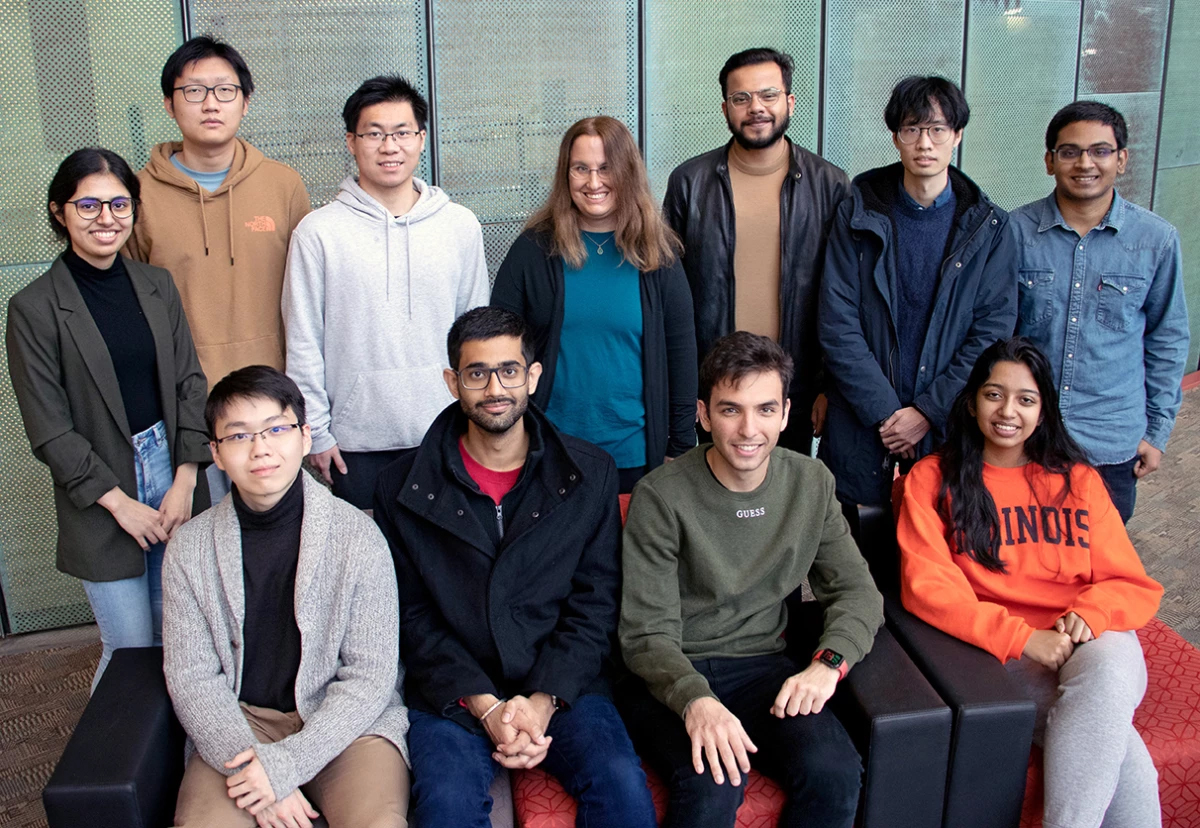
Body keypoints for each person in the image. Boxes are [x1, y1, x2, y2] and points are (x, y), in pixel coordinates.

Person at [373, 307, 656, 828]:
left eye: (509, 370)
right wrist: (485, 706)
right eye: (477, 374)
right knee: (446, 810)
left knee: (623, 793)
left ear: (533, 375)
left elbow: (595, 604)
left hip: (565, 684)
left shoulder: (589, 474)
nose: (495, 388)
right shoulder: (402, 487)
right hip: (454, 691)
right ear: (453, 382)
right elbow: (411, 618)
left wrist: (543, 701)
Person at [618, 332, 884, 828]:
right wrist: (695, 700)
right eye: (729, 409)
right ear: (703, 414)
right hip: (669, 673)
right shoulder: (660, 496)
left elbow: (857, 592)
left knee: (835, 771)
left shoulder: (810, 483)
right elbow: (646, 634)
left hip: (761, 668)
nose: (748, 429)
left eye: (764, 410)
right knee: (715, 783)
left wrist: (829, 663)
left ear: (785, 414)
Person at [897, 336, 1163, 828]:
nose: (1008, 411)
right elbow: (927, 588)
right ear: (973, 399)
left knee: (1108, 675)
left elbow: (1131, 583)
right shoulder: (933, 479)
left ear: (1043, 411)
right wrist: (1024, 638)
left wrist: (1091, 613)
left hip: (1089, 640)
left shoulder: (1076, 480)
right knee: (1123, 753)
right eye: (994, 394)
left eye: (1026, 399)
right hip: (1004, 655)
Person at [163, 365, 410, 828]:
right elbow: (192, 678)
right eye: (239, 436)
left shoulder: (359, 536)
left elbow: (370, 676)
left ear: (303, 436)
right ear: (215, 453)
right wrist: (254, 768)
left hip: (345, 725)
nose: (261, 449)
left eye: (277, 428)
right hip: (240, 726)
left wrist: (284, 768)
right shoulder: (189, 550)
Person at [6, 148, 209, 690]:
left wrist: (187, 476)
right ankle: (118, 770)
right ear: (59, 211)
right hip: (99, 487)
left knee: (184, 639)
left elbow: (191, 382)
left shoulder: (157, 285)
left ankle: (184, 766)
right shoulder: (34, 307)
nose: (107, 218)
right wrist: (121, 504)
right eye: (89, 204)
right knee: (130, 649)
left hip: (172, 466)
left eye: (120, 204)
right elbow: (49, 429)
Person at [285, 75, 489, 509]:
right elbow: (303, 342)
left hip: (446, 433)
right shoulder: (318, 233)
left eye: (401, 133)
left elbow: (477, 336)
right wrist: (316, 432)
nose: (389, 146)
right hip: (352, 445)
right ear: (351, 141)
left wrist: (479, 423)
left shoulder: (459, 226)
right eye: (374, 134)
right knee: (366, 569)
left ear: (421, 138)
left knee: (442, 569)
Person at [126, 36, 311, 503]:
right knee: (204, 544)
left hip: (274, 406)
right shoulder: (136, 195)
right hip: (186, 411)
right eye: (194, 91)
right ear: (169, 104)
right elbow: (129, 306)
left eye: (225, 90)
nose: (211, 103)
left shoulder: (282, 185)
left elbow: (310, 295)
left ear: (245, 102)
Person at [819, 75, 1018, 509]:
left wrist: (926, 411)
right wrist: (888, 414)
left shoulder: (989, 228)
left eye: (937, 130)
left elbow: (990, 333)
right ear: (895, 137)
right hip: (862, 419)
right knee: (858, 553)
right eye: (912, 129)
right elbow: (838, 322)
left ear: (957, 135)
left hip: (948, 423)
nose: (924, 143)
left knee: (940, 553)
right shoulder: (857, 212)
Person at [491, 116, 696, 493]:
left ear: (627, 173)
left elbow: (681, 358)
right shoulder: (533, 251)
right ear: (565, 175)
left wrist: (680, 447)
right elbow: (498, 350)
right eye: (580, 169)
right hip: (550, 452)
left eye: (606, 169)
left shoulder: (659, 255)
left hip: (636, 457)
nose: (594, 182)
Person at [663, 48, 850, 455]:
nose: (756, 108)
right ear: (725, 108)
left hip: (793, 388)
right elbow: (667, 295)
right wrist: (682, 390)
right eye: (741, 98)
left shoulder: (830, 185)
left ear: (789, 101)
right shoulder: (689, 183)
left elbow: (843, 297)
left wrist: (826, 385)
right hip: (713, 389)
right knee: (714, 503)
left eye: (768, 95)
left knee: (785, 501)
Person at [1012, 101, 1189, 523]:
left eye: (1100, 151)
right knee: (1020, 563)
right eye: (1070, 152)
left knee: (1098, 571)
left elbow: (1167, 338)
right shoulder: (1014, 233)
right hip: (1026, 437)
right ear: (1049, 161)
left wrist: (1156, 432)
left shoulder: (1156, 240)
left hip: (1110, 441)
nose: (1085, 163)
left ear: (1122, 159)